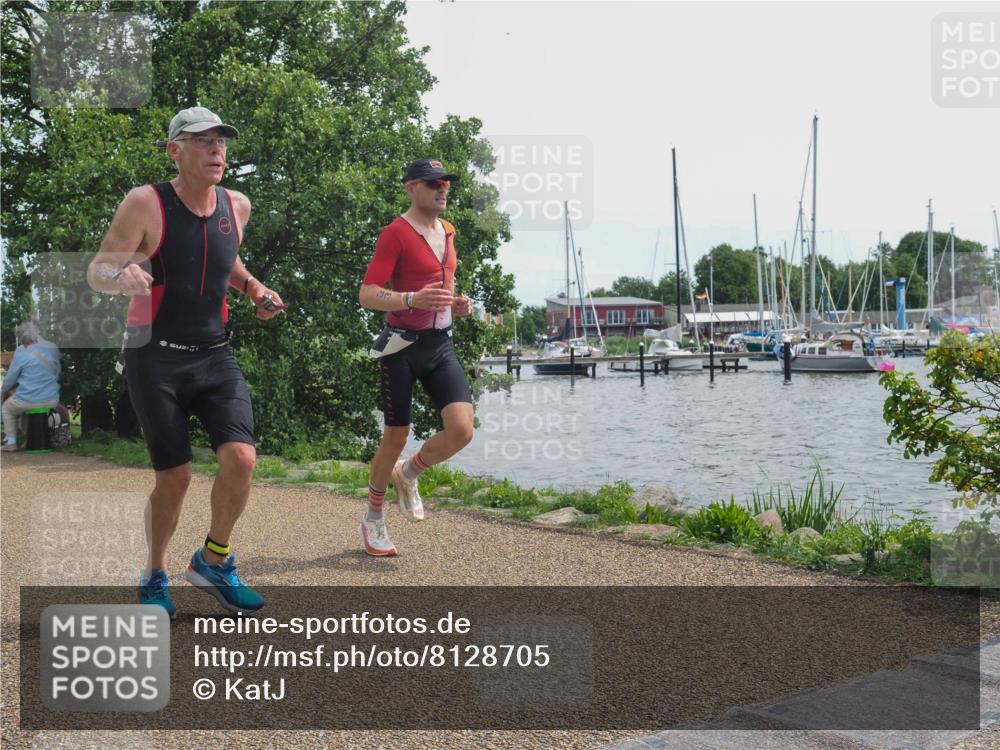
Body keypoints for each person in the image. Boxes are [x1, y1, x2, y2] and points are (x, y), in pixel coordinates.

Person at [87, 107, 285, 618]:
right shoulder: (145, 203)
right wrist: (120, 277)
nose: (216, 149)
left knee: (241, 460)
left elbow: (226, 261)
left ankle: (213, 561)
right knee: (174, 478)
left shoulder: (236, 206)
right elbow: (98, 268)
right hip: (154, 356)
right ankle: (154, 574)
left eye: (221, 140)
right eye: (202, 141)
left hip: (215, 352)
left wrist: (255, 288)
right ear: (175, 150)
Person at [357, 159, 475, 556]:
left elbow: (446, 281)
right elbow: (368, 292)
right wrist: (411, 299)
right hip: (402, 347)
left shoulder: (449, 231)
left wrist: (456, 304)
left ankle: (408, 473)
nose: (443, 189)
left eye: (446, 183)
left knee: (462, 430)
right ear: (411, 187)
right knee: (395, 436)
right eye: (433, 183)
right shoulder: (395, 234)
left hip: (440, 344)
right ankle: (373, 519)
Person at [1, 321, 61, 451]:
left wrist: (4, 390)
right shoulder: (52, 346)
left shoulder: (21, 351)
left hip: (29, 399)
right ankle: (31, 439)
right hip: (52, 399)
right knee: (25, 407)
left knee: (8, 408)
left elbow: (10, 378)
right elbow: (57, 372)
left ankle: (11, 442)